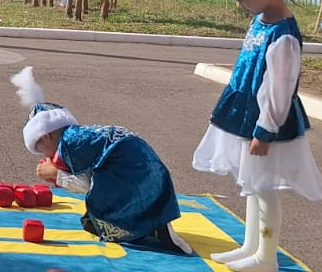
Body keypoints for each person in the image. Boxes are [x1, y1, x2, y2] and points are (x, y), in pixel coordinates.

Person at [188, 0, 322, 272]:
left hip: (266, 121)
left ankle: (267, 256)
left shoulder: (284, 36)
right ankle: (251, 245)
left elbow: (280, 88)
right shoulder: (260, 20)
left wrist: (265, 129)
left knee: (264, 188)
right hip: (247, 114)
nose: (239, 5)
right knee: (251, 184)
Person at [11, 66, 193, 255]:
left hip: (132, 179)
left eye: (41, 151)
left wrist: (56, 174)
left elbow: (88, 184)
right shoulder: (79, 135)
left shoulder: (68, 145)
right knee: (90, 222)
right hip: (152, 175)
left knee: (100, 218)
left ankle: (149, 226)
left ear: (46, 136)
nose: (46, 157)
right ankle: (149, 220)